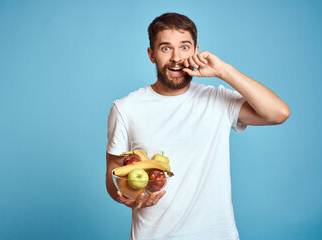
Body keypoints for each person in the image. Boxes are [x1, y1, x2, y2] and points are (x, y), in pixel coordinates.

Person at [105, 12, 290, 240]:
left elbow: (278, 114)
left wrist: (223, 71)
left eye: (184, 47)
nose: (176, 58)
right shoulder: (126, 108)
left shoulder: (218, 100)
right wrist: (127, 197)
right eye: (165, 48)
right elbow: (113, 172)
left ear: (195, 50)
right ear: (151, 55)